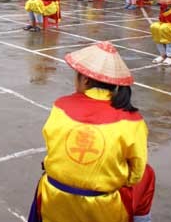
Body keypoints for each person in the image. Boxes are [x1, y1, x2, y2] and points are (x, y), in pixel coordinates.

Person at [27, 41, 155, 222]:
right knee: (147, 176)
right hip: (103, 207)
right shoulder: (133, 120)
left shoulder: (61, 105)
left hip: (54, 196)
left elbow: (52, 145)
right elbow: (136, 173)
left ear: (85, 80)